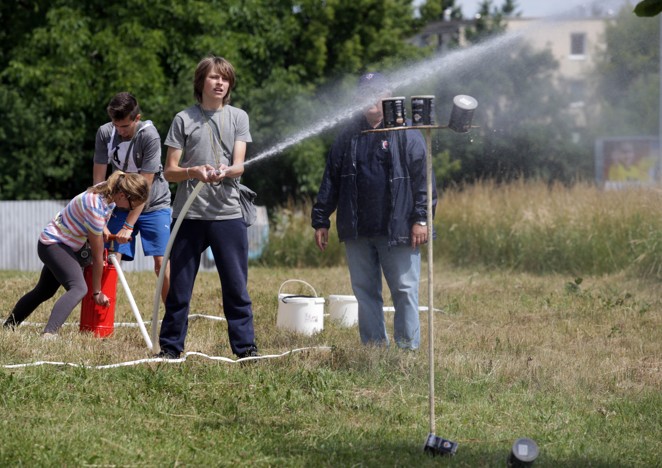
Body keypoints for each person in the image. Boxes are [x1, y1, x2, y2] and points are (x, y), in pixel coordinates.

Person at [311, 72, 437, 350]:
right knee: (365, 292)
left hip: (400, 229)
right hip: (357, 230)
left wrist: (421, 219)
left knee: (404, 291)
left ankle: (407, 350)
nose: (369, 99)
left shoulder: (406, 134)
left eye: (376, 93)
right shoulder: (347, 136)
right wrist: (321, 219)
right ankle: (374, 349)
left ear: (387, 97)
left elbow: (425, 180)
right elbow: (330, 179)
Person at [157, 55, 258, 359]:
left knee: (236, 287)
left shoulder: (239, 117)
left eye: (225, 79)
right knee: (179, 290)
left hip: (228, 214)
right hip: (189, 214)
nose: (220, 83)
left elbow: (240, 165)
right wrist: (193, 171)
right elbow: (169, 171)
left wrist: (227, 170)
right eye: (214, 77)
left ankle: (245, 350)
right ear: (201, 81)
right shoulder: (183, 119)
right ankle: (170, 350)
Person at [3, 172, 149, 337]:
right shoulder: (96, 206)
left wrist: (105, 230)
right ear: (122, 195)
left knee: (44, 291)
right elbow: (97, 256)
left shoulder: (110, 191)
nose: (129, 209)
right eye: (131, 206)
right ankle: (49, 335)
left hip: (62, 243)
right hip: (54, 244)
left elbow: (97, 222)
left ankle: (8, 327)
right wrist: (96, 292)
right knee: (79, 288)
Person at [93, 92, 172, 302]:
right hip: (120, 205)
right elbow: (99, 183)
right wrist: (99, 219)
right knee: (111, 258)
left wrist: (128, 226)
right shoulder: (104, 133)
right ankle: (103, 316)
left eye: (125, 127)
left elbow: (144, 188)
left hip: (154, 204)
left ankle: (173, 320)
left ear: (136, 118)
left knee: (161, 263)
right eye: (115, 125)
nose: (119, 131)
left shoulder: (149, 136)